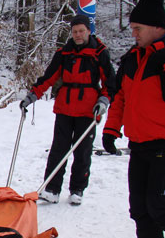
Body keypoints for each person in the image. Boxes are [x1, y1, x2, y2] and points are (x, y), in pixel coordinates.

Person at [101, 0, 165, 238]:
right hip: (139, 144)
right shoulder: (132, 59)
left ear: (158, 27)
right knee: (140, 207)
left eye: (138, 28)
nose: (134, 34)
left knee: (161, 206)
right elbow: (121, 99)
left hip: (164, 145)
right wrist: (111, 129)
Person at [20, 14, 116, 205]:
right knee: (58, 149)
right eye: (74, 32)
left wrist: (104, 100)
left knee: (82, 152)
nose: (78, 35)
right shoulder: (64, 53)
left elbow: (110, 83)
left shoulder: (100, 53)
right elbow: (48, 77)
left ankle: (77, 189)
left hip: (88, 110)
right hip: (64, 108)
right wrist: (33, 95)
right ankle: (52, 188)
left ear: (89, 31)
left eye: (81, 31)